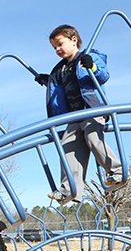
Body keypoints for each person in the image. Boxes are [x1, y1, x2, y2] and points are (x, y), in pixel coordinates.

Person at [35, 25, 123, 205]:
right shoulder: (60, 69)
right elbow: (58, 89)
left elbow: (104, 75)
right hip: (74, 115)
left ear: (73, 39)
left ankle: (118, 172)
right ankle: (70, 190)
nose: (57, 50)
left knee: (93, 138)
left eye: (60, 44)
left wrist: (93, 66)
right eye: (54, 48)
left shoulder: (87, 57)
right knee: (68, 147)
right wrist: (48, 80)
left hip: (92, 109)